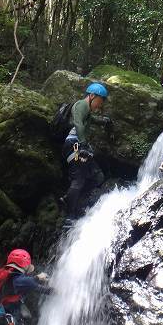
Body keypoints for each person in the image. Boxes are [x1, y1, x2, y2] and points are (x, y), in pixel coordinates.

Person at [62, 82, 113, 224]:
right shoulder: (80, 105)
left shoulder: (87, 110)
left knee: (98, 177)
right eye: (99, 101)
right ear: (91, 96)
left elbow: (90, 119)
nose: (99, 105)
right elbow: (78, 123)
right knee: (78, 179)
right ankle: (68, 216)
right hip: (74, 145)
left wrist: (104, 121)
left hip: (80, 146)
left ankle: (69, 198)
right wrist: (83, 144)